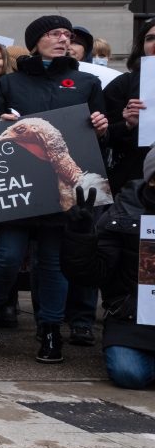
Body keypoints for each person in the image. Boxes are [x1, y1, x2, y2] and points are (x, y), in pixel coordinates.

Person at [0, 15, 109, 362]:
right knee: (7, 257)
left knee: (52, 263)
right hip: (20, 191)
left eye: (68, 34)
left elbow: (100, 138)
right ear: (36, 42)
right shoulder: (10, 83)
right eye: (55, 33)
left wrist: (101, 127)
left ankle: (50, 331)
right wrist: (0, 124)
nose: (64, 39)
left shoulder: (86, 82)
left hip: (61, 194)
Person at [63, 147, 155, 388]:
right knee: (129, 373)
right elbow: (93, 273)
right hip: (132, 318)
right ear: (152, 179)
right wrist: (80, 236)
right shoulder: (125, 211)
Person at [103, 16, 155, 188]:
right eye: (150, 38)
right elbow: (101, 136)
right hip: (135, 181)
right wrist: (127, 125)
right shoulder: (123, 84)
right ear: (142, 46)